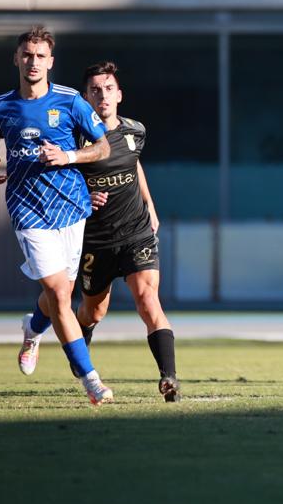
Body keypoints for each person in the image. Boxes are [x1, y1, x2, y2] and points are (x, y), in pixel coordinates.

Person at [20, 61, 180, 402]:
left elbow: (133, 163)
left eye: (108, 88)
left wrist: (149, 204)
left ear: (119, 95)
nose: (102, 95)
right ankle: (75, 355)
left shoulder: (135, 130)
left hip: (135, 232)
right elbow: (56, 173)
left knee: (148, 299)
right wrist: (82, 194)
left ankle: (169, 378)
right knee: (92, 311)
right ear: (84, 97)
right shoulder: (73, 139)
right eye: (95, 90)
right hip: (94, 239)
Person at [0, 25, 114, 405]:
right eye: (27, 54)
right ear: (16, 58)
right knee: (58, 294)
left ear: (51, 62)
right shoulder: (0, 105)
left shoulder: (71, 102)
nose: (33, 62)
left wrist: (68, 156)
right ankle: (91, 380)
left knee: (61, 294)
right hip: (27, 210)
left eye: (40, 56)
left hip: (72, 209)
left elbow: (102, 147)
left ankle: (32, 327)